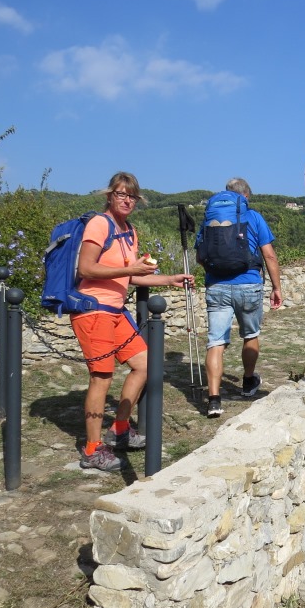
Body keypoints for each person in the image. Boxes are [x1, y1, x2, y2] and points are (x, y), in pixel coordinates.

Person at [72, 171, 193, 472]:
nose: (127, 200)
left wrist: (170, 279)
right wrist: (129, 270)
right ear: (109, 195)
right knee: (101, 377)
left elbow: (132, 275)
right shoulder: (99, 224)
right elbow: (86, 268)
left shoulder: (129, 231)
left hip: (115, 311)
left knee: (146, 364)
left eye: (132, 196)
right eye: (121, 194)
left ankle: (120, 429)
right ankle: (92, 450)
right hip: (93, 309)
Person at [197, 178, 282, 418]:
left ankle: (214, 400)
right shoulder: (253, 217)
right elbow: (269, 255)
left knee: (216, 342)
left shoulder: (209, 218)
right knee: (250, 335)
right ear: (245, 196)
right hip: (249, 285)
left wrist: (217, 272)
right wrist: (276, 287)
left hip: (217, 286)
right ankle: (247, 382)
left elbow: (200, 257)